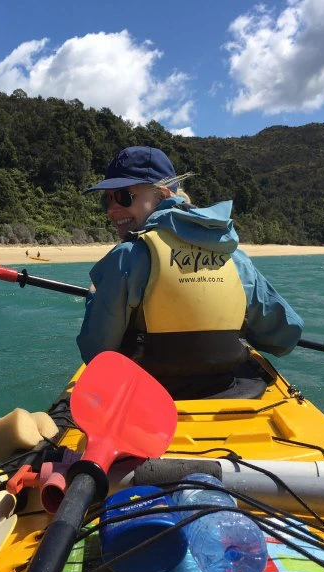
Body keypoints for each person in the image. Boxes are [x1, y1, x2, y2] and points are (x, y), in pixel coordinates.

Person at [77, 146, 304, 398]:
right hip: (228, 394)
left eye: (122, 196)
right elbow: (286, 336)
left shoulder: (126, 257)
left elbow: (96, 352)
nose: (111, 209)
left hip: (144, 400)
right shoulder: (234, 257)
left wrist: (94, 298)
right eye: (106, 199)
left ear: (162, 194)